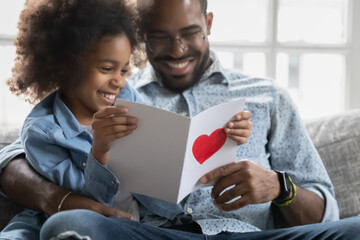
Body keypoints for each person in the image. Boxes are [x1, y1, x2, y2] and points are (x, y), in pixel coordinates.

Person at [0, 0, 359, 239]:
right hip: (156, 234)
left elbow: (326, 210)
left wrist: (279, 187)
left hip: (252, 235)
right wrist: (57, 199)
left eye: (189, 34)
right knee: (70, 225)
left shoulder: (267, 96)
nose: (176, 51)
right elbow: (17, 155)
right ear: (141, 37)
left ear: (209, 22)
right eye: (159, 39)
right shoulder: (114, 93)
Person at [0, 0, 251, 239]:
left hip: (161, 222)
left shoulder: (130, 97)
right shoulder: (44, 133)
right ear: (67, 67)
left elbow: (164, 177)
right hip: (106, 225)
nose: (120, 81)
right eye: (107, 69)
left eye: (123, 70)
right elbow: (88, 205)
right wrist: (99, 151)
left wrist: (225, 139)